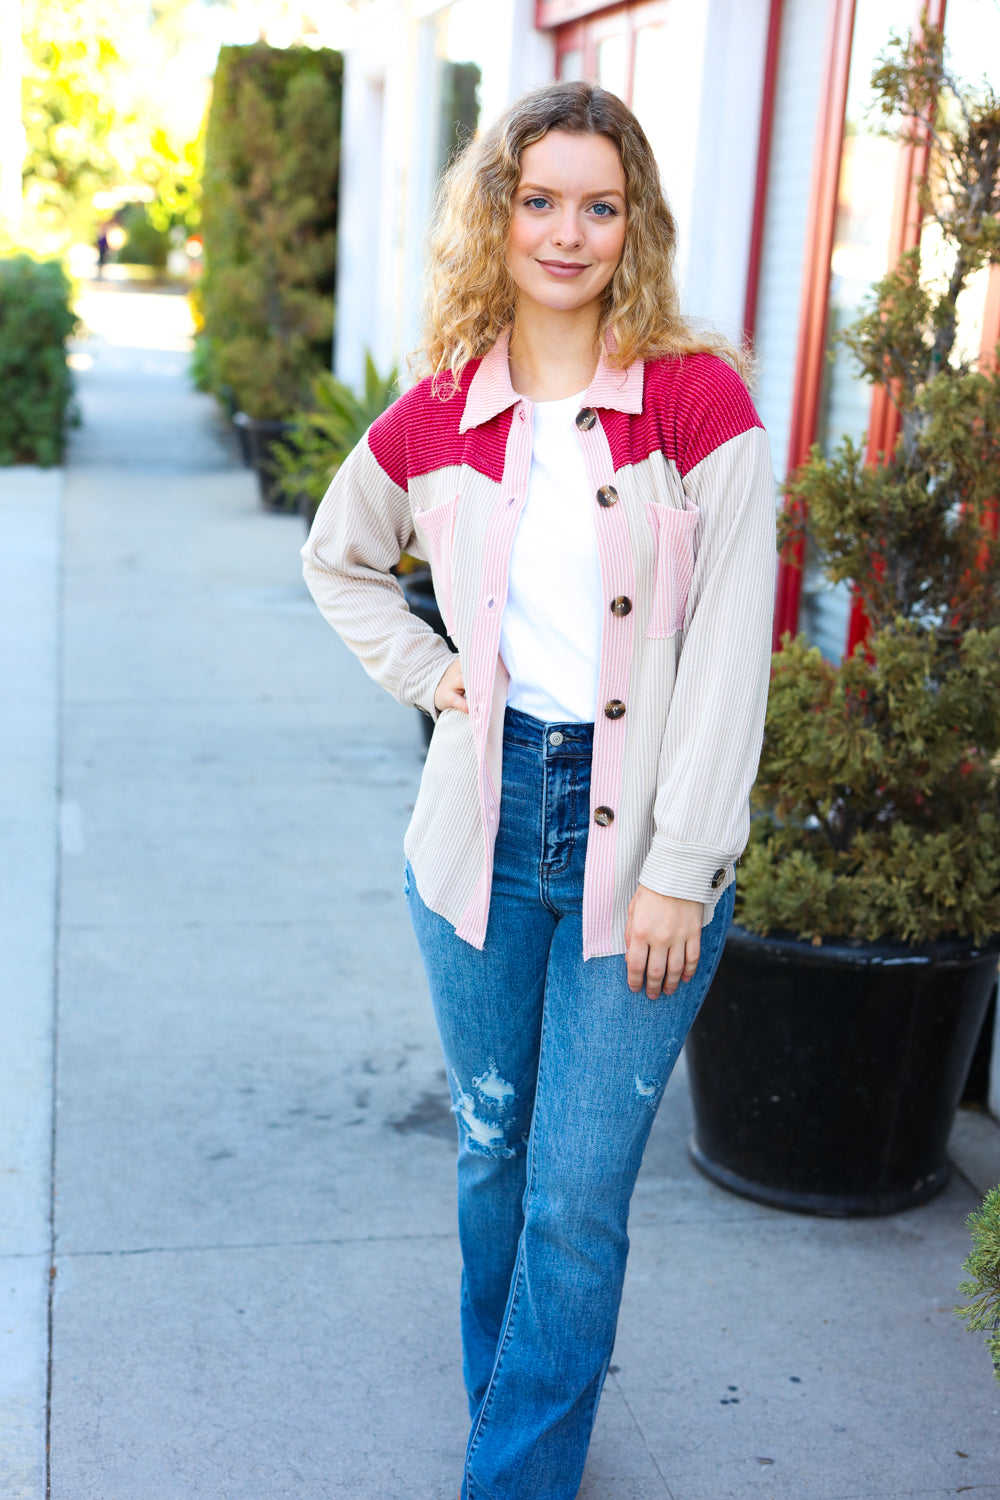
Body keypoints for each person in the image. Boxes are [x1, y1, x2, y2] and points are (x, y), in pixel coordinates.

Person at [303, 80, 776, 1500]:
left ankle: (513, 1476)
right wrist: (440, 676)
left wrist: (685, 868)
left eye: (599, 204)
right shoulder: (446, 405)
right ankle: (511, 1412)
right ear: (496, 214)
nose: (567, 232)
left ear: (633, 224)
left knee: (576, 1196)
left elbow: (738, 645)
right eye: (540, 200)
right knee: (493, 1156)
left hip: (644, 843)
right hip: (480, 834)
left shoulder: (698, 402)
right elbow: (339, 557)